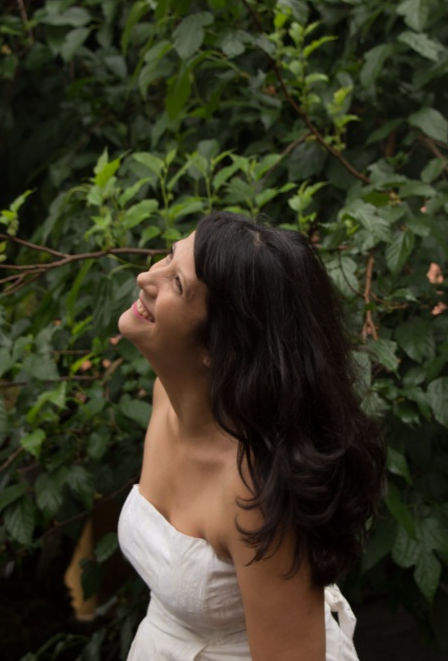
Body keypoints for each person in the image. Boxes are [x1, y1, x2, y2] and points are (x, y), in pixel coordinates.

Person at [116, 211, 386, 660]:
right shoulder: (167, 394)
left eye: (177, 284)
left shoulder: (256, 489)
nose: (146, 277)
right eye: (168, 256)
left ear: (218, 347)